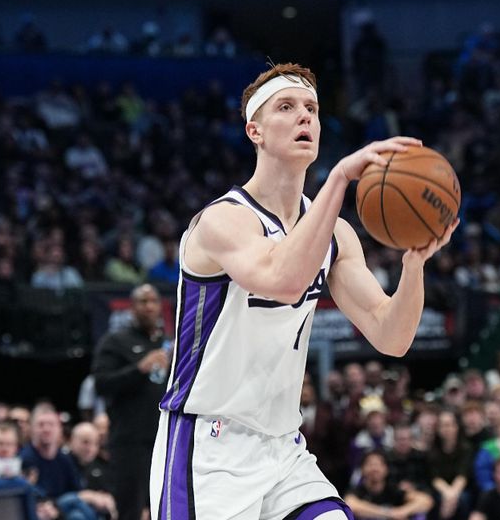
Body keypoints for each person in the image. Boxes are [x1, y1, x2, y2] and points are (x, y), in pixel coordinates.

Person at [150, 62, 457, 520]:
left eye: (312, 108)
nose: (305, 117)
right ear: (255, 130)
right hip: (207, 447)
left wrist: (414, 266)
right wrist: (339, 178)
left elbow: (392, 337)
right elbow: (283, 279)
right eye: (287, 107)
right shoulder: (222, 221)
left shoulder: (336, 235)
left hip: (282, 448)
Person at [93, 283, 169, 520]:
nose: (149, 307)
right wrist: (139, 369)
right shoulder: (115, 341)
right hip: (129, 443)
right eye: (143, 302)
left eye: (153, 301)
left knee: (165, 507)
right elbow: (100, 383)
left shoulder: (166, 344)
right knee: (130, 510)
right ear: (131, 308)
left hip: (163, 439)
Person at [344, 450, 434, 520]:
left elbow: (426, 501)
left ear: (386, 469)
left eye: (378, 464)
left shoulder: (393, 489)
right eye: (370, 464)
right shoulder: (357, 490)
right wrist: (388, 513)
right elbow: (350, 504)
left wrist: (402, 511)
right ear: (362, 469)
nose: (374, 468)